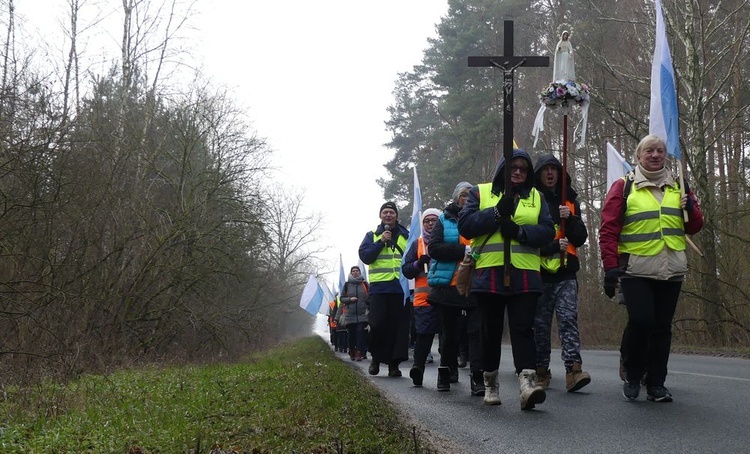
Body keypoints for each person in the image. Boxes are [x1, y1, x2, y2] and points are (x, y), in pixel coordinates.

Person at [599, 134, 703, 402]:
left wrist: (690, 206)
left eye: (660, 151)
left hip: (672, 269)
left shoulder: (679, 186)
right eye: (649, 151)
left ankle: (656, 382)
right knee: (642, 321)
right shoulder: (623, 187)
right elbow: (608, 230)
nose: (655, 155)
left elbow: (694, 226)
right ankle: (633, 373)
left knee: (662, 327)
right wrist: (610, 268)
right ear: (638, 156)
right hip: (636, 269)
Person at [458, 149, 555, 410]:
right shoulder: (481, 192)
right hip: (488, 274)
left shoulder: (537, 197)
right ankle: (490, 381)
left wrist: (521, 232)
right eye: (513, 167)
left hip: (525, 274)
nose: (518, 172)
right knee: (490, 331)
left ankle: (527, 383)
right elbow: (465, 226)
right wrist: (496, 214)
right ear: (503, 168)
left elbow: (548, 231)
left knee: (523, 328)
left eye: (523, 169)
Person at [532, 154, 591, 392]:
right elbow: (528, 239)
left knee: (568, 320)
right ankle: (541, 371)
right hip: (540, 273)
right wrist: (550, 247)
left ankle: (573, 370)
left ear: (559, 173)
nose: (549, 173)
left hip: (566, 273)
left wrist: (572, 219)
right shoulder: (531, 200)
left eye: (553, 169)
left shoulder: (570, 201)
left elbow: (581, 238)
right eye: (545, 170)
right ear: (538, 174)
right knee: (541, 325)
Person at [426, 181, 485, 396]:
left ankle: (477, 378)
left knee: (476, 333)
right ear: (455, 197)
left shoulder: (481, 218)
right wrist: (464, 251)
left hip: (476, 284)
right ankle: (446, 372)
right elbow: (434, 248)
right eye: (463, 194)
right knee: (449, 333)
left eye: (470, 195)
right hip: (448, 287)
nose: (466, 198)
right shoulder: (444, 219)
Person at [359, 201, 411, 377]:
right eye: (385, 213)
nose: (388, 215)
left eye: (391, 212)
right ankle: (376, 358)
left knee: (398, 328)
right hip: (380, 289)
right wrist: (381, 242)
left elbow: (412, 256)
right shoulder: (372, 236)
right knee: (378, 325)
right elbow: (365, 256)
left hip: (401, 289)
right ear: (380, 216)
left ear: (396, 216)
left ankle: (393, 365)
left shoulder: (406, 235)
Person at [401, 208, 442, 387]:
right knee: (424, 335)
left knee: (448, 336)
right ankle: (418, 367)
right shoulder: (417, 244)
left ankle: (449, 371)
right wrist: (419, 263)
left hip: (446, 296)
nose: (431, 223)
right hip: (424, 299)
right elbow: (407, 270)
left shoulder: (448, 240)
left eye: (434, 220)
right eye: (427, 221)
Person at [340, 265, 369, 361]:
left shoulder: (364, 284)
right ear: (351, 273)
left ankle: (359, 352)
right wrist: (349, 299)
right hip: (350, 315)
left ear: (360, 273)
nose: (355, 272)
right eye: (353, 271)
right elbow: (342, 298)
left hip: (362, 314)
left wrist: (367, 303)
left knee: (361, 333)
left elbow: (370, 296)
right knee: (352, 334)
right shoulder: (347, 285)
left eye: (357, 271)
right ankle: (352, 350)